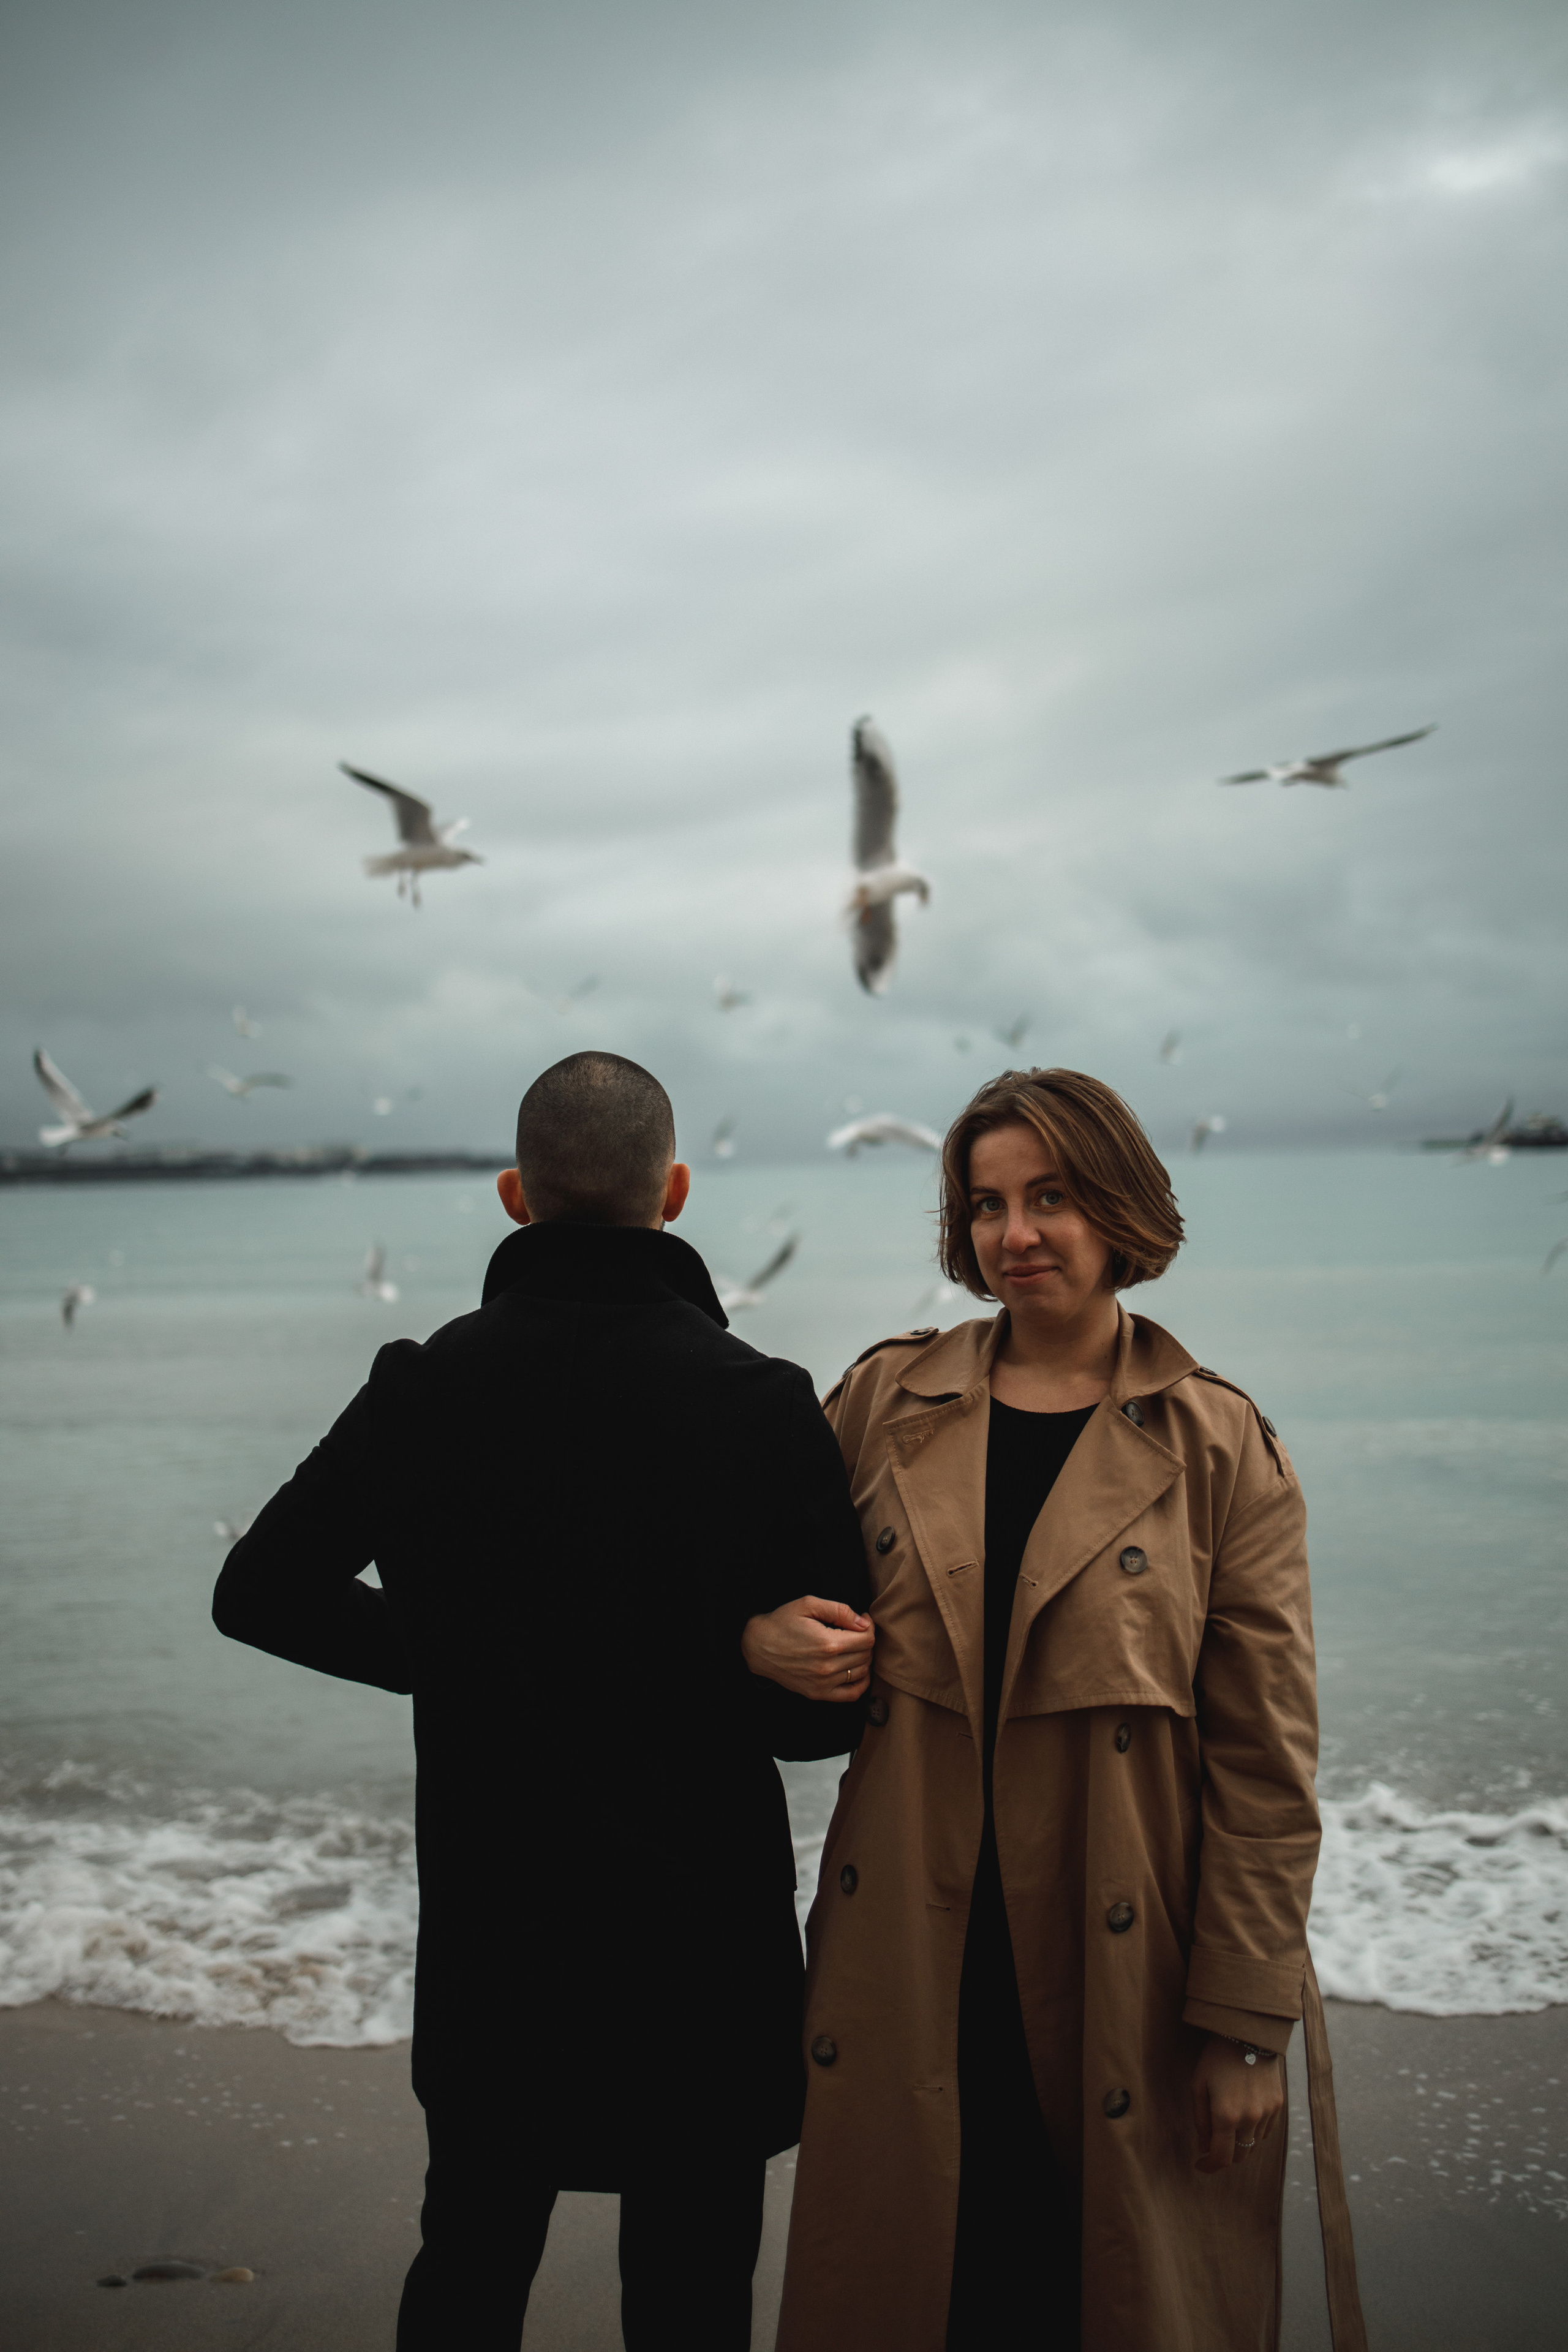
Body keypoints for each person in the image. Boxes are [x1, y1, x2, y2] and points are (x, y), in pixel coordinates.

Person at [212, 1051, 875, 2352]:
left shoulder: (423, 1386)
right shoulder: (760, 1401)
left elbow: (261, 1591)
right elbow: (824, 1714)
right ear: (673, 1192)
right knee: (689, 2299)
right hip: (700, 1958)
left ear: (516, 1196)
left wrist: (467, 1652)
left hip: (496, 1946)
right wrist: (715, 1652)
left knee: (465, 2269)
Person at [750, 1067, 1365, 2352]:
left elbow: (1265, 1761)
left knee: (1099, 2297)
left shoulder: (1215, 1446)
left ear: (1118, 1207)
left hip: (1122, 1972)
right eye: (985, 1205)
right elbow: (745, 1583)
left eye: (1050, 1197)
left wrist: (1243, 2025)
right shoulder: (881, 1404)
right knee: (923, 2294)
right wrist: (754, 1639)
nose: (1013, 1234)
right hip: (912, 1960)